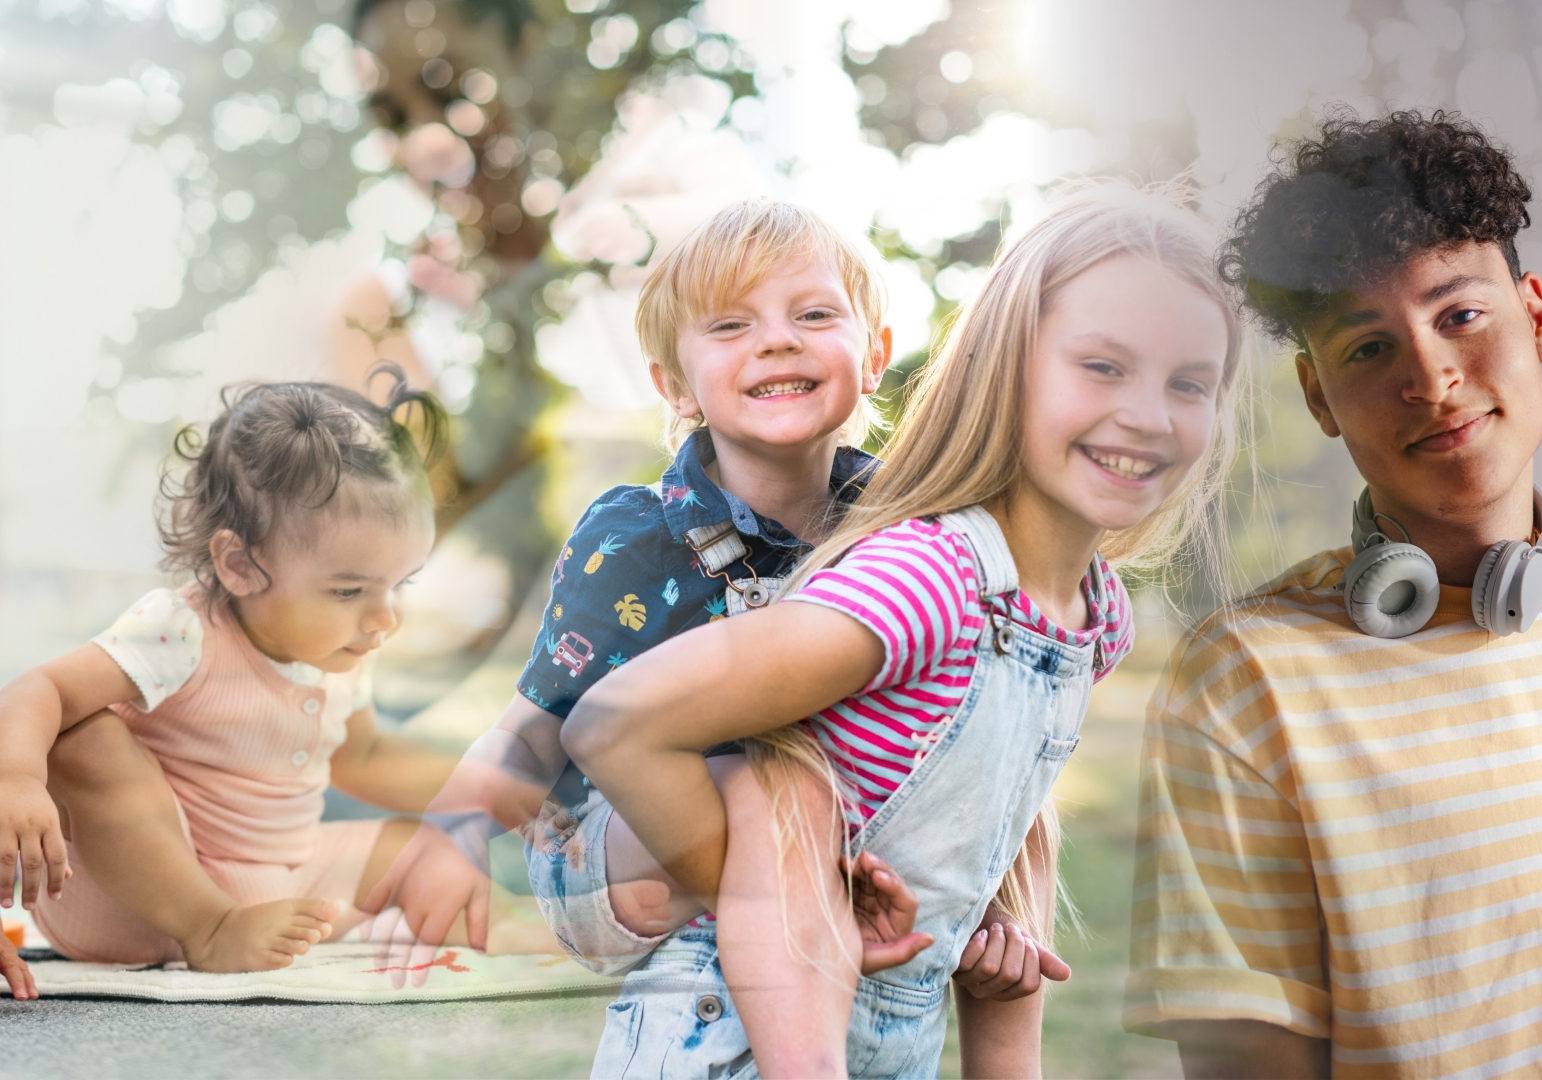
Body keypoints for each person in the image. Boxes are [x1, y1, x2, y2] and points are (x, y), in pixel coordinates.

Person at [563, 180, 1245, 1077]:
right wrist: (789, 898)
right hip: (729, 1036)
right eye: (1103, 367)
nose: (1148, 415)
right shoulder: (927, 577)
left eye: (1187, 381)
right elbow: (613, 723)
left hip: (895, 1040)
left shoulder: (1094, 613)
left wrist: (992, 947)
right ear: (1007, 371)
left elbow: (1009, 825)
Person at [375, 197, 1065, 1065]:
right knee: (777, 782)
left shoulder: (904, 533)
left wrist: (987, 898)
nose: (776, 340)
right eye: (731, 325)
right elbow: (537, 717)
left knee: (932, 764)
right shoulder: (638, 536)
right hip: (607, 848)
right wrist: (453, 833)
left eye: (814, 315)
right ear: (673, 384)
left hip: (800, 851)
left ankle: (931, 958)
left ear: (874, 355)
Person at [1126, 109, 1542, 1079]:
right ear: (1317, 396)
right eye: (1367, 348)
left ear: (1536, 318)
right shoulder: (1246, 681)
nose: (1434, 378)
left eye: (1459, 315)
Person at [0, 373, 487, 991]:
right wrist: (17, 779)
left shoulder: (338, 644)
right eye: (349, 590)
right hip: (137, 893)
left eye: (398, 584)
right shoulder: (181, 628)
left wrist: (491, 787)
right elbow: (36, 690)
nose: (384, 617)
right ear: (239, 565)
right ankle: (211, 929)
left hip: (281, 879)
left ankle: (540, 931)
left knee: (426, 850)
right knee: (83, 738)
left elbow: (363, 757)